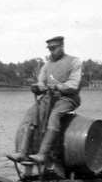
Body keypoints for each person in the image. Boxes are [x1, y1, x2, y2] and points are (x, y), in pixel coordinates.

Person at [7, 36, 82, 164]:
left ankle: (43, 154)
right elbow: (41, 82)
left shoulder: (74, 62)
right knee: (32, 115)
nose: (51, 52)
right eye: (50, 49)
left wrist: (58, 86)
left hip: (67, 98)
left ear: (61, 47)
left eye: (54, 49)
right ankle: (22, 153)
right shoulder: (47, 65)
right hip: (49, 98)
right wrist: (37, 88)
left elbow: (74, 85)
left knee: (54, 116)